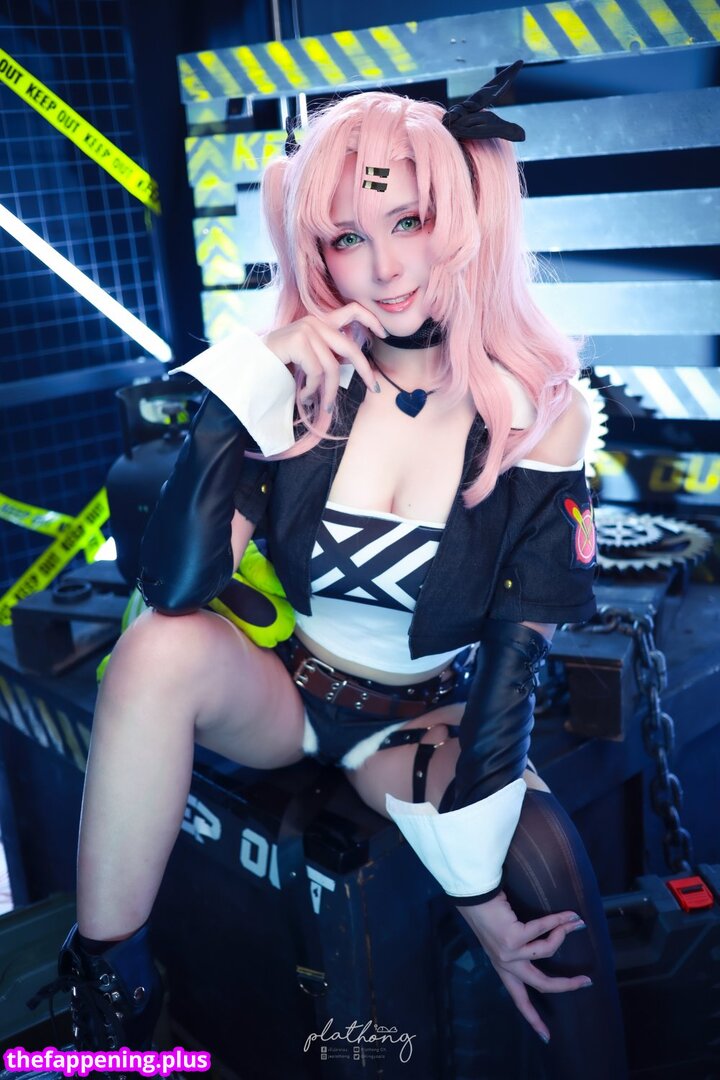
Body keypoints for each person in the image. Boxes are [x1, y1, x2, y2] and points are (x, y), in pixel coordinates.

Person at [44, 61, 627, 1077]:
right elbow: (176, 588)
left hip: (416, 721)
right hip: (286, 696)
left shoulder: (537, 411)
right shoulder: (307, 383)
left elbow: (514, 654)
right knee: (156, 650)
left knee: (529, 863)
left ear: (465, 220)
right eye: (348, 238)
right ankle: (111, 998)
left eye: (409, 222)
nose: (385, 268)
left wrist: (478, 894)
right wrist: (244, 391)